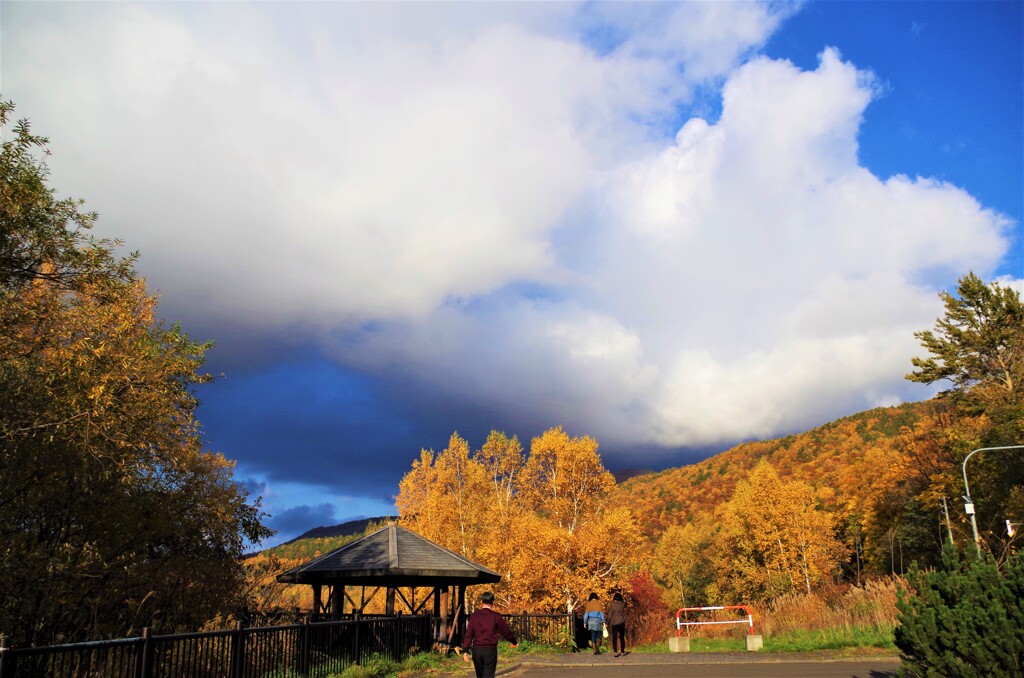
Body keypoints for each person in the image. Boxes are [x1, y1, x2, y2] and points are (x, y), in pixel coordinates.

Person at [462, 591, 518, 678]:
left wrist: (465, 650)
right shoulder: (496, 616)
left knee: (480, 676)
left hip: (477, 650)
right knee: (488, 675)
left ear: (481, 601)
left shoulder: (474, 616)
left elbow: (469, 633)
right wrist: (514, 641)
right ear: (492, 602)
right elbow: (506, 632)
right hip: (490, 650)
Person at [607, 592, 628, 657]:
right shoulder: (623, 604)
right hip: (622, 622)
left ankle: (615, 652)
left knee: (614, 638)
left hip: (614, 623)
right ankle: (622, 651)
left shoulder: (612, 605)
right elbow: (625, 603)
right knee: (622, 637)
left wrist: (607, 622)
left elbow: (609, 614)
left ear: (614, 598)